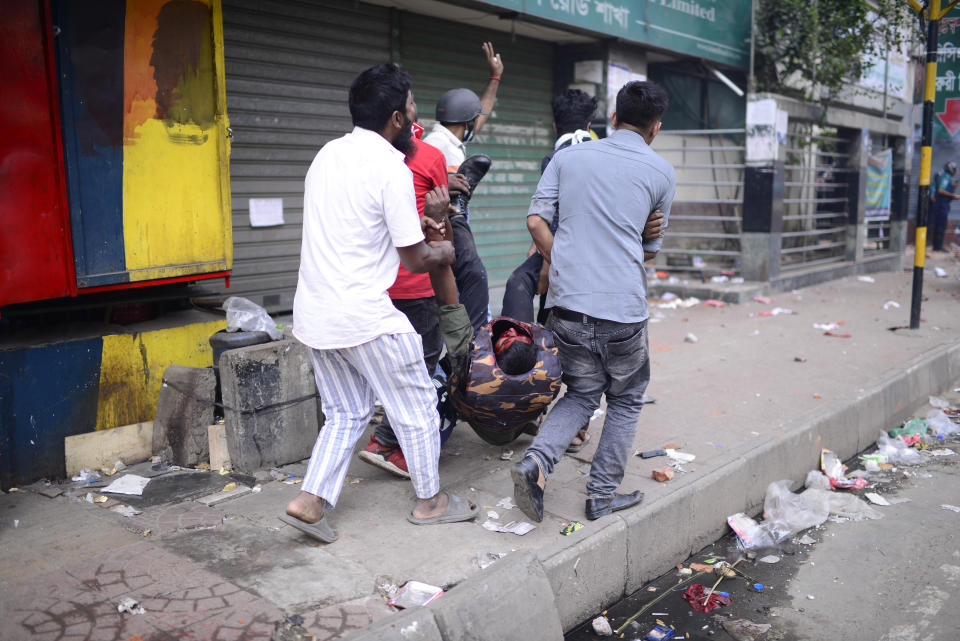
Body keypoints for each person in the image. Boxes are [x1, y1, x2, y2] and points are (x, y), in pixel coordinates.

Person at [282, 64, 478, 543]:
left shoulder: (326, 155)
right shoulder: (390, 167)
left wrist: (429, 222)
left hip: (313, 314)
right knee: (416, 405)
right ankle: (430, 502)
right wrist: (445, 250)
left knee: (347, 411)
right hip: (364, 313)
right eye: (411, 109)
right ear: (395, 118)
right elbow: (413, 259)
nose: (415, 119)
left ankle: (308, 501)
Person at [511, 80, 675, 523]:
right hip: (623, 311)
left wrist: (561, 260)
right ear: (655, 128)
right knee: (625, 397)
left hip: (568, 305)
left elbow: (535, 220)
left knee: (582, 391)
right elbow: (649, 251)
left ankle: (537, 462)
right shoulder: (661, 172)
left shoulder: (567, 158)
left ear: (614, 119)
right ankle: (601, 495)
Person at [357, 133, 455, 479]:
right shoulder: (430, 156)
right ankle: (386, 443)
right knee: (422, 364)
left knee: (389, 367)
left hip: (373, 281)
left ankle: (385, 439)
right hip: (415, 280)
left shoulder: (359, 157)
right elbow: (442, 223)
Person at [423, 42, 504, 333]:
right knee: (471, 282)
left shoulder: (449, 139)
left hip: (453, 229)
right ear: (465, 122)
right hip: (444, 231)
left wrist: (495, 78)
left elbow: (478, 117)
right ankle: (465, 353)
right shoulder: (436, 147)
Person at [930, 161, 959, 252]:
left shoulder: (944, 176)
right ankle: (938, 247)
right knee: (940, 226)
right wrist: (953, 196)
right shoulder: (946, 176)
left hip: (942, 205)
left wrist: (953, 187)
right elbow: (940, 190)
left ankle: (937, 246)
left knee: (940, 225)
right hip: (941, 205)